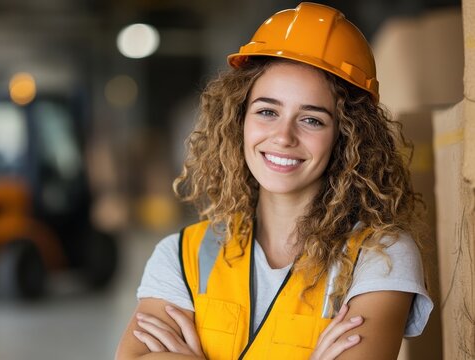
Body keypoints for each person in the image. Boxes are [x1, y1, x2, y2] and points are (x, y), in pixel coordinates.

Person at [115, 2, 433, 359]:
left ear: (348, 136)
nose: (283, 137)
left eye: (312, 120)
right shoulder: (180, 255)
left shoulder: (380, 256)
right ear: (239, 120)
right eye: (267, 112)